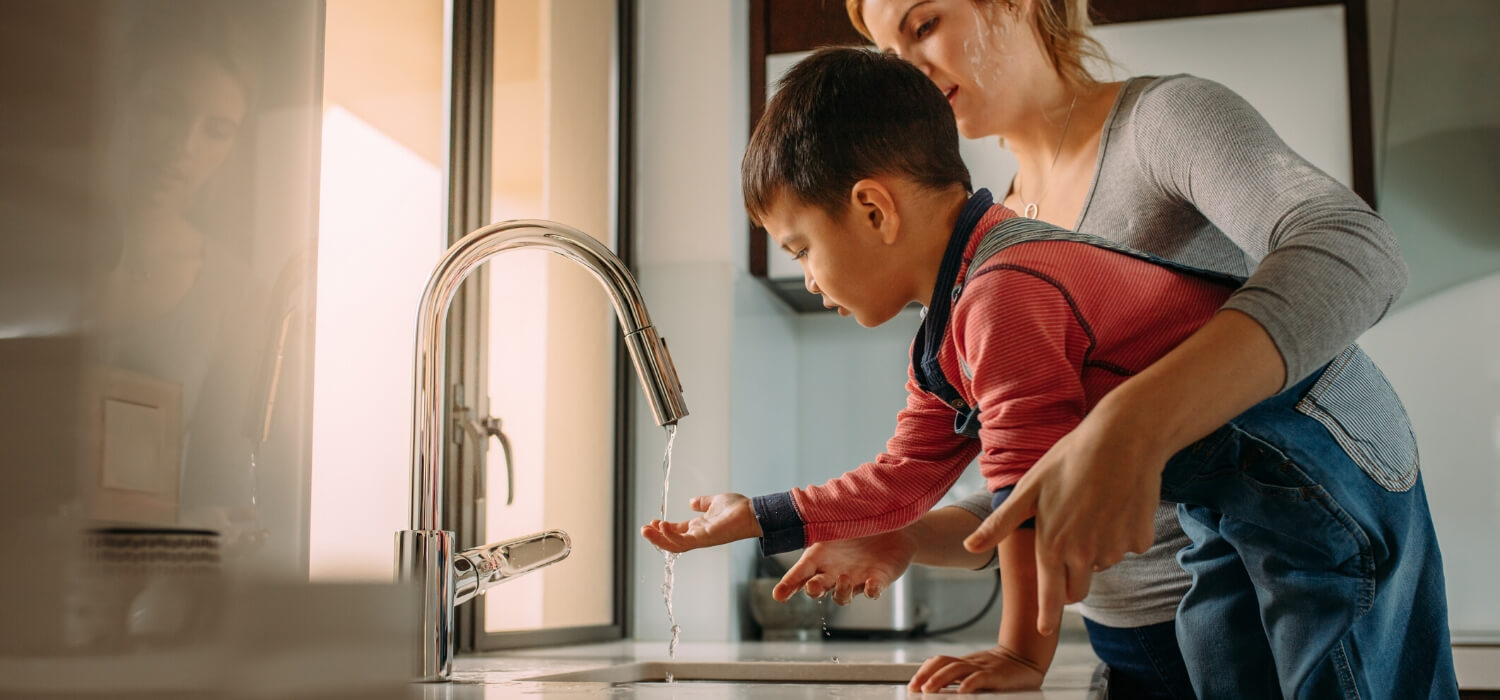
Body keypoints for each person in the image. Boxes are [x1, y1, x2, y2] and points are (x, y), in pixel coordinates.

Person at [641, 47, 1456, 698]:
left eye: (801, 251)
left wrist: (1020, 656)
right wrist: (761, 516)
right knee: (1218, 650)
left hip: (1314, 453)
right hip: (1227, 493)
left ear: (873, 209)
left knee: (1335, 676)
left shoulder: (1003, 292)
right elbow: (903, 479)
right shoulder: (953, 320)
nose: (810, 279)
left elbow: (1024, 499)